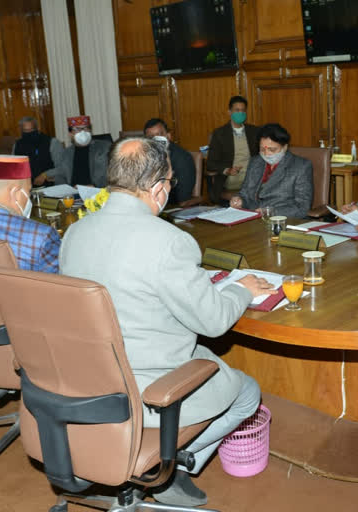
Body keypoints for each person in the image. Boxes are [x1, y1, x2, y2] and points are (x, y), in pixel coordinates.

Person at [60, 137, 275, 507]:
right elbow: (214, 321)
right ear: (158, 187)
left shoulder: (75, 231)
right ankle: (169, 467)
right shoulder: (169, 241)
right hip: (148, 387)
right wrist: (241, 288)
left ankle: (162, 457)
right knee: (247, 392)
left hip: (85, 378)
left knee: (202, 353)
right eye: (171, 183)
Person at [229, 123, 313, 219]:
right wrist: (239, 200)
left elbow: (302, 207)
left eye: (272, 149)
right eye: (262, 149)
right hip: (252, 218)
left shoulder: (300, 166)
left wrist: (271, 212)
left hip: (282, 220)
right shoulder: (255, 161)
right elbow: (245, 193)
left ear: (285, 147)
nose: (266, 154)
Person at [206, 95, 259, 204]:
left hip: (252, 181)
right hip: (230, 181)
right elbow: (210, 164)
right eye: (237, 110)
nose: (240, 113)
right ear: (229, 112)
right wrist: (227, 170)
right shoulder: (219, 134)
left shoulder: (254, 132)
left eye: (243, 110)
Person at [46, 115, 110, 188]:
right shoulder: (66, 152)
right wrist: (66, 189)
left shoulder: (103, 147)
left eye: (86, 128)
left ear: (90, 131)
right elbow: (60, 175)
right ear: (70, 134)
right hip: (73, 193)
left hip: (96, 192)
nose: (83, 132)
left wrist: (95, 186)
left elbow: (107, 174)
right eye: (77, 129)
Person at [143, 118, 196, 204]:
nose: (155, 140)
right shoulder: (144, 157)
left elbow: (183, 196)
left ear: (168, 136)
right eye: (150, 137)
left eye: (159, 135)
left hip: (171, 205)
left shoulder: (182, 158)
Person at [12, 117, 63, 186]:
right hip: (26, 186)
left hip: (50, 184)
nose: (28, 133)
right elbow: (13, 167)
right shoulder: (17, 145)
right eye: (25, 131)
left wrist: (45, 175)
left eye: (31, 130)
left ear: (38, 129)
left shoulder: (52, 143)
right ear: (21, 131)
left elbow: (62, 167)